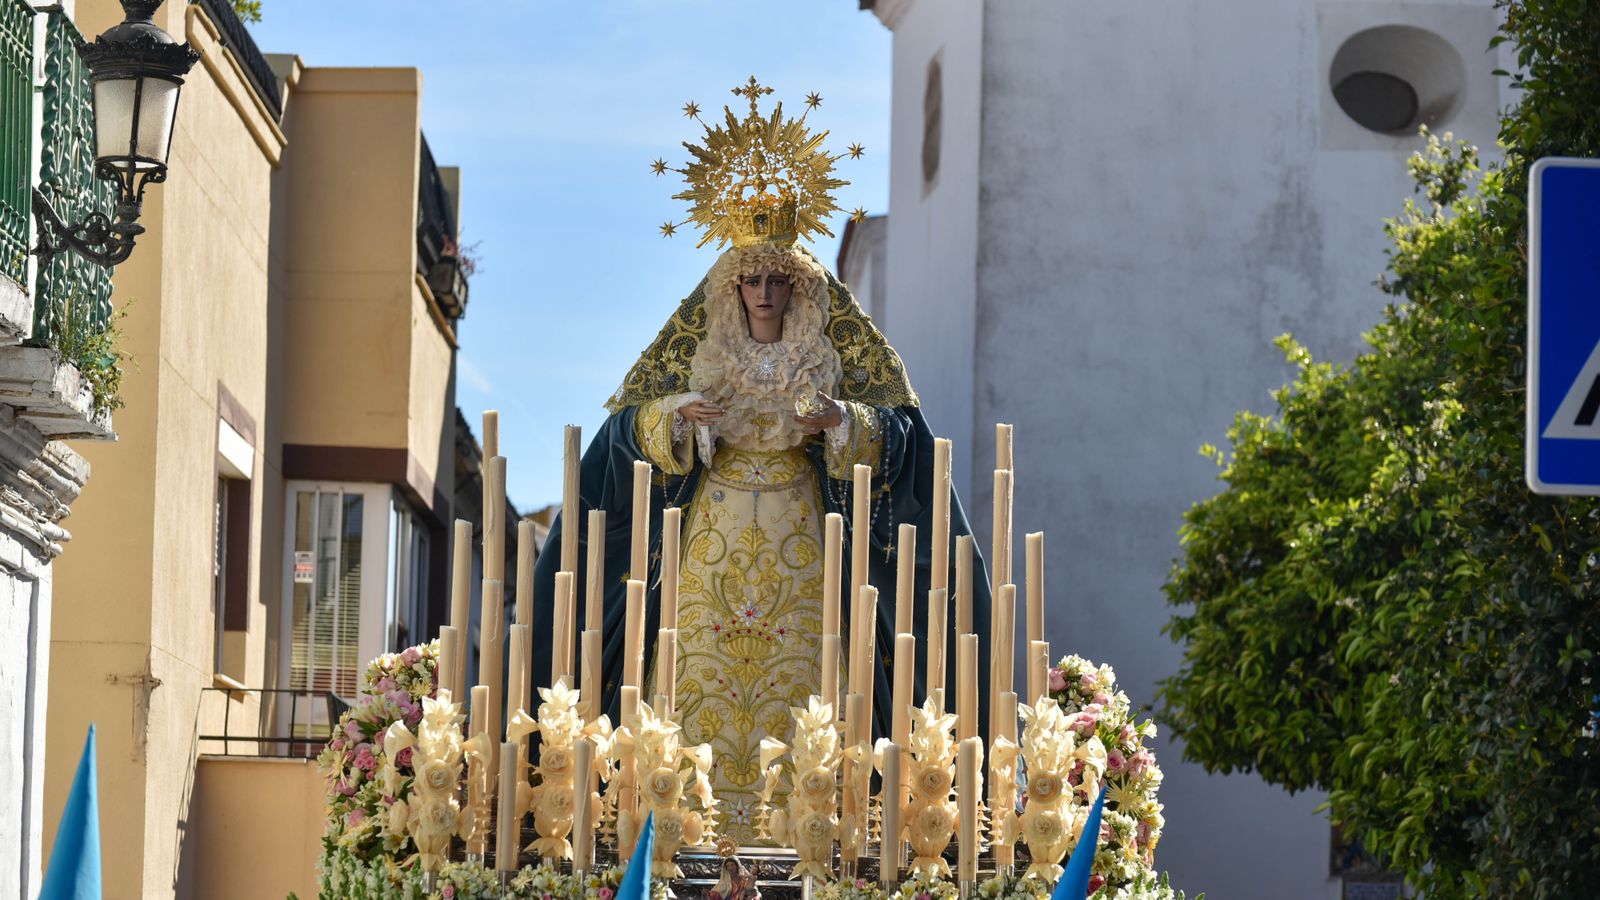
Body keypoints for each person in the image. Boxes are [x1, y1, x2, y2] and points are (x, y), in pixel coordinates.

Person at [531, 79, 993, 844]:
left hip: (805, 545)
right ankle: (681, 831)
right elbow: (621, 433)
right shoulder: (701, 348)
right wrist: (672, 419)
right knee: (690, 676)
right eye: (753, 278)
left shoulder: (838, 352)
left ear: (801, 285)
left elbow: (907, 438)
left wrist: (846, 423)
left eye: (780, 278)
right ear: (732, 285)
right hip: (706, 556)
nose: (766, 293)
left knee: (808, 685)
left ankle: (802, 834)